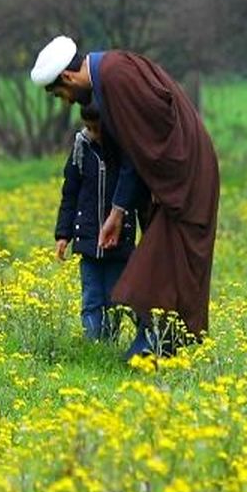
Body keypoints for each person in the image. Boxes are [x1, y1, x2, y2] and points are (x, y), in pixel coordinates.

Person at [31, 36, 219, 357]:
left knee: (161, 262)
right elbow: (138, 149)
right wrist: (118, 212)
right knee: (160, 260)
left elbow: (148, 141)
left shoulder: (117, 77)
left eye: (63, 94)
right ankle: (157, 347)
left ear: (67, 77)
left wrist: (151, 190)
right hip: (169, 179)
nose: (67, 102)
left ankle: (151, 350)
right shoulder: (109, 76)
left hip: (183, 176)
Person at [55, 105, 143, 340]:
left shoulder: (125, 152)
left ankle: (109, 343)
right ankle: (93, 344)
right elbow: (70, 193)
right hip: (87, 238)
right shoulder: (81, 149)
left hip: (118, 241)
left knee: (114, 298)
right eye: (89, 128)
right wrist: (63, 234)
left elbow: (133, 187)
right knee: (91, 297)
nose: (94, 133)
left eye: (98, 128)